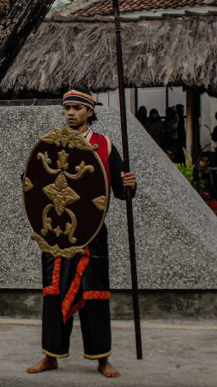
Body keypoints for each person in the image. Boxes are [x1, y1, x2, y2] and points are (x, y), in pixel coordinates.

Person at [26, 88, 136, 378]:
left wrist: (128, 183)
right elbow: (34, 186)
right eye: (67, 108)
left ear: (90, 111)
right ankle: (50, 355)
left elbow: (121, 193)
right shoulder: (51, 144)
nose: (71, 113)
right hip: (55, 236)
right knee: (53, 294)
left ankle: (102, 358)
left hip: (91, 234)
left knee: (95, 295)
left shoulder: (104, 145)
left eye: (77, 108)